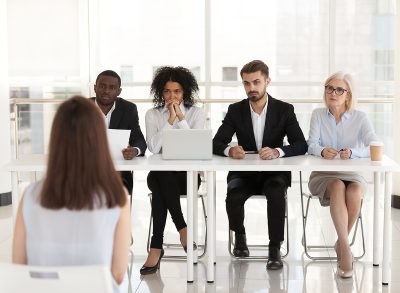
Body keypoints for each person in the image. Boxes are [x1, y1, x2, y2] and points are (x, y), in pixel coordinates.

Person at [12, 96, 131, 292]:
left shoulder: (31, 196)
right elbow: (118, 274)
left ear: (56, 139)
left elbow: (19, 266)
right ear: (100, 141)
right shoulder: (116, 197)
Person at [213, 60, 307, 270]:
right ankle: (240, 236)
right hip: (244, 173)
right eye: (246, 83)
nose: (251, 88)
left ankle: (274, 249)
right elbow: (216, 142)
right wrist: (230, 150)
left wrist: (278, 151)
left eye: (256, 82)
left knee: (275, 193)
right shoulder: (235, 110)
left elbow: (301, 144)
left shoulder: (284, 110)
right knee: (233, 196)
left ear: (267, 81)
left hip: (273, 172)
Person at [307, 72, 378, 278]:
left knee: (355, 189)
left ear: (348, 95)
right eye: (329, 88)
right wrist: (320, 151)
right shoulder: (318, 115)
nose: (333, 93)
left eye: (339, 90)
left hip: (352, 173)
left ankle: (341, 242)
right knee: (337, 185)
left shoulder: (360, 117)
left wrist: (353, 153)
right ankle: (346, 248)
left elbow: (373, 144)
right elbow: (311, 144)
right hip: (323, 175)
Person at [141, 66, 205, 275]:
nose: (171, 96)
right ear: (161, 92)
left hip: (187, 176)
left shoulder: (196, 113)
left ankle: (156, 248)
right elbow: (153, 147)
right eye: (167, 91)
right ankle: (183, 229)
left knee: (160, 190)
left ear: (184, 92)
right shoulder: (153, 114)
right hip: (161, 174)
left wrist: (181, 119)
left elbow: (195, 146)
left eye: (176, 91)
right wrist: (169, 120)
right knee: (161, 175)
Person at [92, 70, 147, 196]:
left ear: (119, 91)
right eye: (102, 86)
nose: (106, 91)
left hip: (118, 170)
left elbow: (138, 139)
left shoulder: (128, 109)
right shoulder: (82, 107)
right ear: (95, 88)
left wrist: (135, 150)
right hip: (88, 169)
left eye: (112, 87)